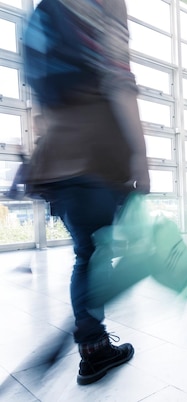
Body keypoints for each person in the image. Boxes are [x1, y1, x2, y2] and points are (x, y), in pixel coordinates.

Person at [23, 0, 148, 384]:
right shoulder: (105, 4)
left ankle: (91, 341)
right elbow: (119, 83)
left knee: (88, 254)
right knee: (102, 254)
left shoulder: (46, 10)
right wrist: (140, 155)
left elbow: (41, 103)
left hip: (57, 160)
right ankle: (92, 344)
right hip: (97, 155)